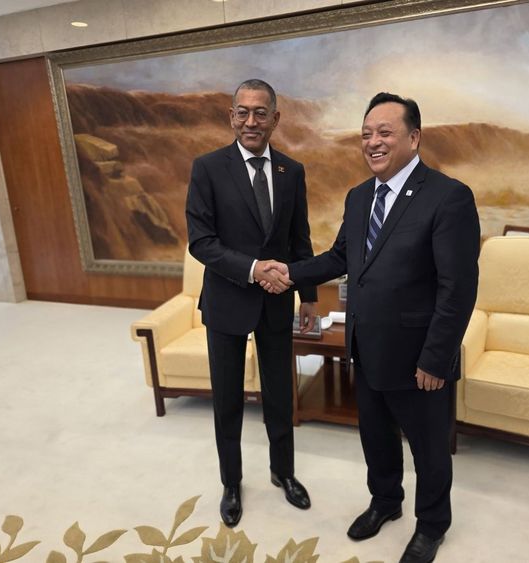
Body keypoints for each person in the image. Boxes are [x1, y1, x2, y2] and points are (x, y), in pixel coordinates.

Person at [260, 92, 480, 563]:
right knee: (376, 438)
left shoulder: (449, 197)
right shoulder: (360, 197)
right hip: (366, 346)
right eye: (365, 134)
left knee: (428, 450)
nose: (372, 142)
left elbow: (458, 289)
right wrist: (291, 272)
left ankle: (432, 525)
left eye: (384, 133)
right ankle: (385, 501)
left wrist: (436, 358)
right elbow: (341, 257)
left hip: (420, 359)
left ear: (414, 138)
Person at [185, 79, 317, 528]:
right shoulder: (207, 168)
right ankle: (231, 483)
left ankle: (284, 473)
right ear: (231, 116)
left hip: (278, 303)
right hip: (227, 301)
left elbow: (300, 239)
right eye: (242, 112)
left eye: (260, 112)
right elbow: (201, 242)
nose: (251, 121)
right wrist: (254, 269)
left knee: (280, 394)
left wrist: (309, 296)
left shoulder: (291, 171)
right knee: (228, 400)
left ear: (275, 118)